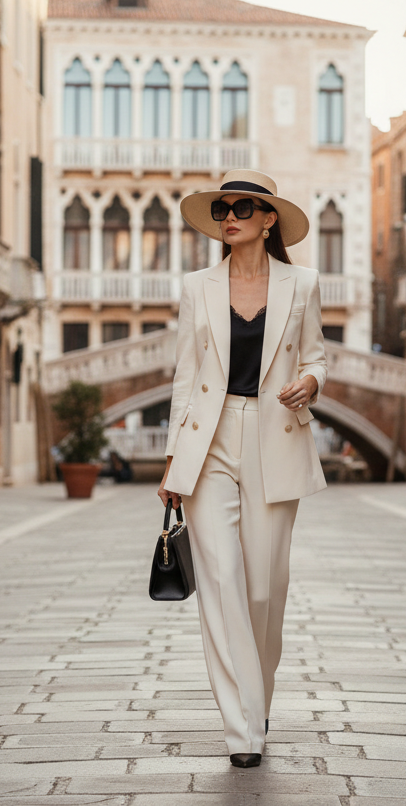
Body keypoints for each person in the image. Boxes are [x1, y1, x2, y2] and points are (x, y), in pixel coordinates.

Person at [157, 170, 327, 769]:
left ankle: (258, 700)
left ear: (268, 219)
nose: (229, 216)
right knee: (223, 580)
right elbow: (184, 378)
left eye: (243, 207)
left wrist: (310, 381)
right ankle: (242, 731)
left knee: (263, 591)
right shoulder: (196, 286)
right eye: (223, 208)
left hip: (276, 437)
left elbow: (316, 355)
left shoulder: (302, 283)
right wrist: (174, 460)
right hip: (211, 439)